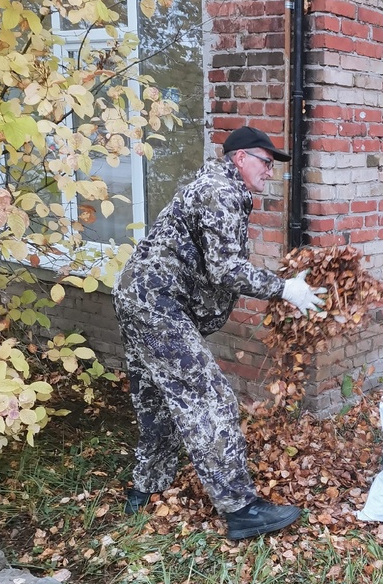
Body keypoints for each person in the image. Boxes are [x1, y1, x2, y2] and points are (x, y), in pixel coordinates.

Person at [113, 126, 324, 540]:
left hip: (138, 298)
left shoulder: (214, 187)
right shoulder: (220, 191)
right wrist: (285, 289)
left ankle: (146, 486)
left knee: (157, 399)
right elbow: (224, 269)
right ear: (240, 158)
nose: (270, 172)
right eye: (266, 162)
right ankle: (241, 508)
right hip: (158, 305)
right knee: (210, 399)